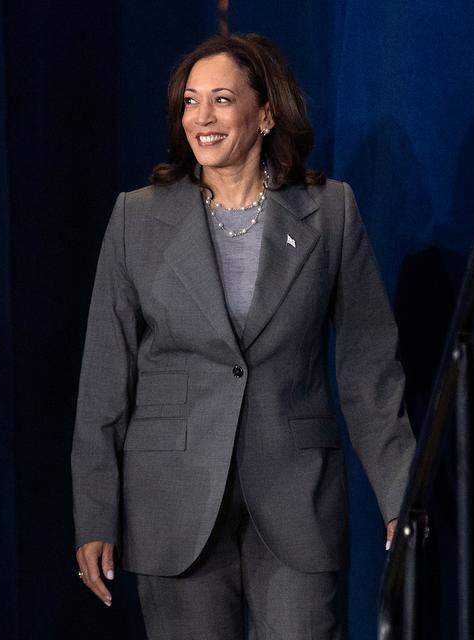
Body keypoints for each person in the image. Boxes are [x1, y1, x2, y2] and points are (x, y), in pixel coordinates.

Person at [70, 33, 415, 639]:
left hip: (295, 498)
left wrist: (400, 495)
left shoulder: (331, 211)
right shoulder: (137, 218)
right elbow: (105, 378)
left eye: (222, 99)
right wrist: (95, 512)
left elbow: (369, 371)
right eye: (190, 101)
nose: (202, 118)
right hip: (173, 501)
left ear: (266, 114)